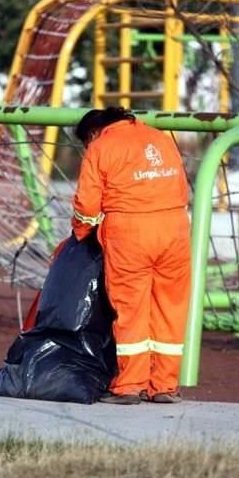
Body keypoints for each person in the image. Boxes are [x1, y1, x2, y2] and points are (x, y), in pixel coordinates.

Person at [71, 107, 192, 405]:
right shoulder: (162, 139)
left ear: (93, 132)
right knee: (170, 308)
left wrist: (80, 234)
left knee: (130, 309)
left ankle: (129, 386)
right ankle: (164, 385)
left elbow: (86, 206)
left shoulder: (101, 146)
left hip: (130, 232)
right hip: (175, 229)